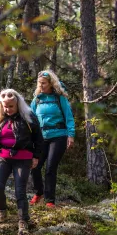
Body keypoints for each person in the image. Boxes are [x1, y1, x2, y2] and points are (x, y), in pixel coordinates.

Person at [0, 89, 43, 235]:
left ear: (18, 104)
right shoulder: (0, 118)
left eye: (10, 106)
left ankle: (23, 221)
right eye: (5, 106)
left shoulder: (29, 118)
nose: (7, 109)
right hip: (4, 158)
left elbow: (39, 139)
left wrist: (36, 157)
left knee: (20, 190)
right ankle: (2, 212)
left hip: (23, 158)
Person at [29, 70, 75, 208]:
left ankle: (50, 201)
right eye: (39, 83)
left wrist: (71, 135)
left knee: (50, 168)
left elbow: (69, 116)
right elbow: (30, 117)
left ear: (51, 83)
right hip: (41, 137)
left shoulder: (59, 97)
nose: (41, 85)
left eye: (43, 83)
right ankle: (39, 192)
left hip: (59, 136)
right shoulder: (37, 98)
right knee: (34, 166)